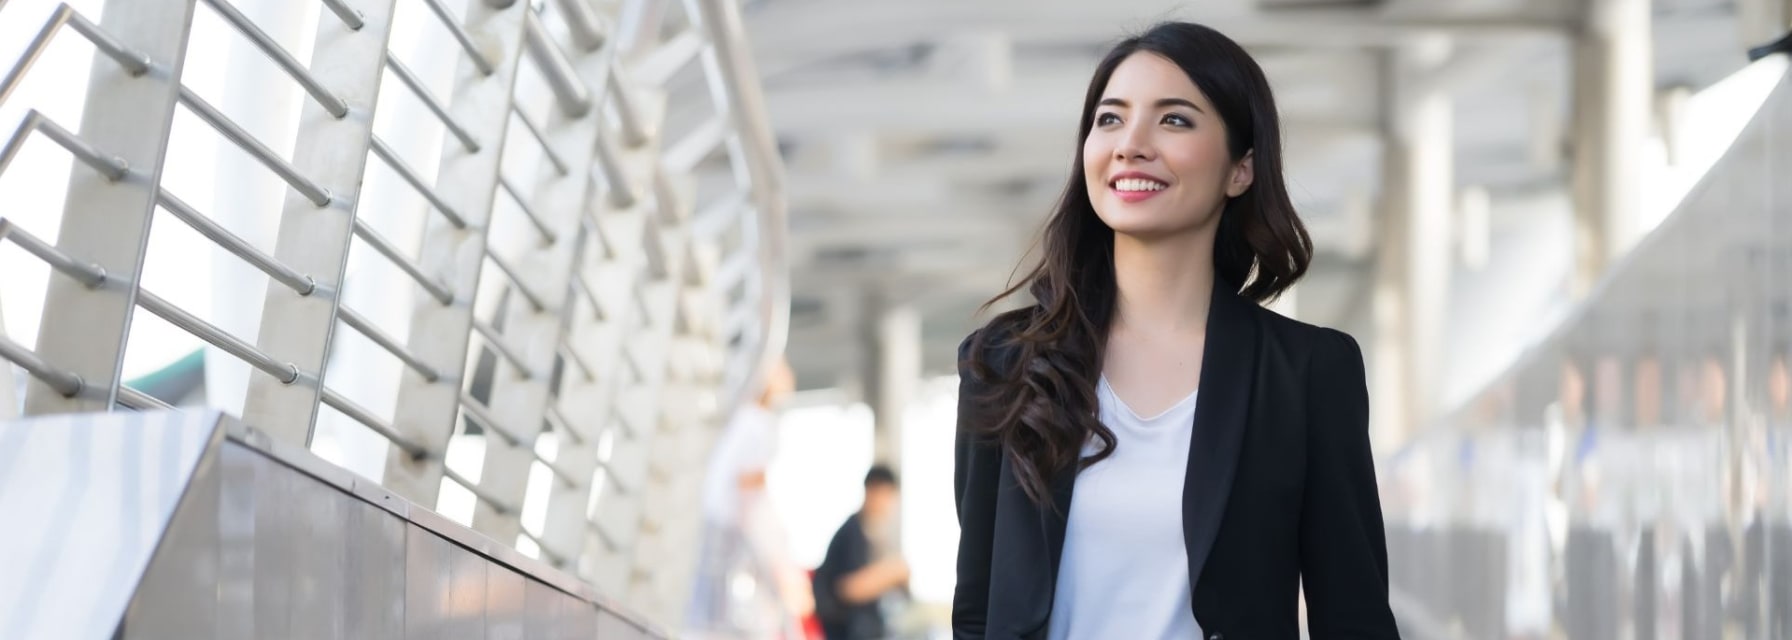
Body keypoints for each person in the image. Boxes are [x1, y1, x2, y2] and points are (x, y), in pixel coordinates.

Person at [952, 22, 1400, 640]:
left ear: (1240, 169)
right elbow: (978, 610)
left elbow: (1353, 617)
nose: (1131, 144)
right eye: (1110, 119)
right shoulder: (1004, 362)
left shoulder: (1304, 373)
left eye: (1174, 120)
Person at [689, 359, 811, 639]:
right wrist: (755, 524)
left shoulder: (745, 418)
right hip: (732, 515)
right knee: (730, 580)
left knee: (713, 581)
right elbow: (748, 479)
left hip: (720, 511)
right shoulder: (760, 424)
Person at [812, 465, 909, 640]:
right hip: (845, 628)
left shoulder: (875, 532)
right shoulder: (852, 532)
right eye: (884, 494)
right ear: (871, 490)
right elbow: (847, 589)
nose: (887, 503)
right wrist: (889, 574)